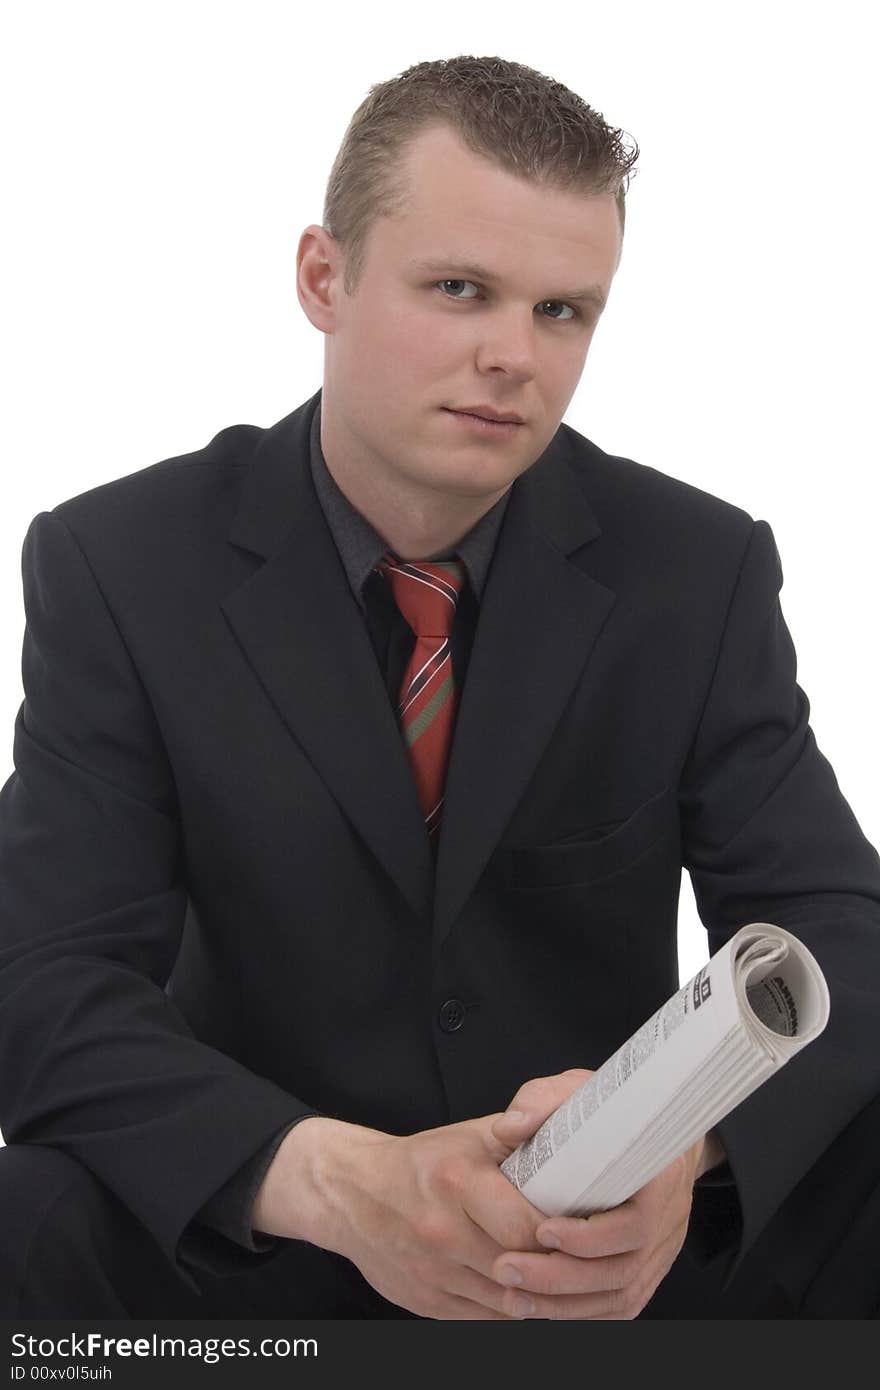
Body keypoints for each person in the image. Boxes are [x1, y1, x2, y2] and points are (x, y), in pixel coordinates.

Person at [1, 53, 879, 1321]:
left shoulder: (695, 568)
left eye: (561, 311)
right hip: (277, 1254)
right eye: (459, 289)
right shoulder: (119, 565)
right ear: (324, 277)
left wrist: (681, 1153)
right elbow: (47, 987)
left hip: (608, 1254)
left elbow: (839, 936)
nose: (512, 356)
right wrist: (339, 1183)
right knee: (30, 1218)